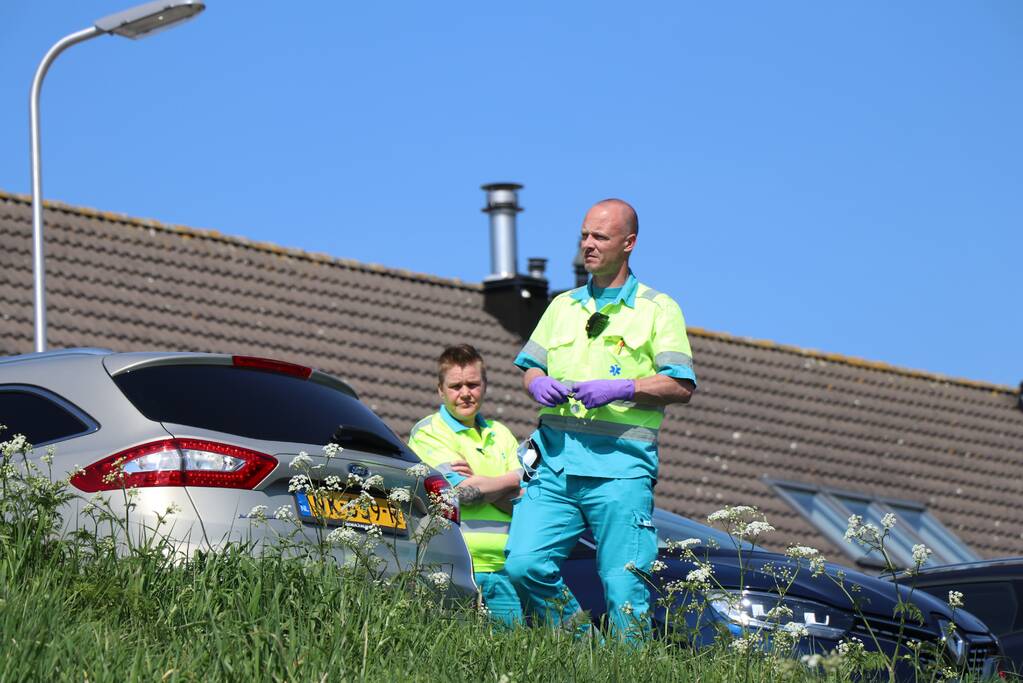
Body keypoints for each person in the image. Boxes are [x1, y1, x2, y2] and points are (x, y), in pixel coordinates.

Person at [504, 198, 697, 641]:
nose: (588, 245)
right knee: (524, 564)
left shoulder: (657, 308)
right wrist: (535, 383)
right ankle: (584, 649)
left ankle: (627, 668)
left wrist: (623, 387)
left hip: (621, 472)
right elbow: (531, 366)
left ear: (628, 244)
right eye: (584, 235)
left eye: (600, 237)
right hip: (554, 467)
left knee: (624, 588)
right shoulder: (562, 306)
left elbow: (681, 386)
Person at [408, 344, 524, 627]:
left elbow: (525, 500)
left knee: (510, 661)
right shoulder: (429, 432)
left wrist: (484, 483)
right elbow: (462, 495)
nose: (465, 393)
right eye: (455, 386)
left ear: (484, 386)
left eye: (473, 384)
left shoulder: (502, 434)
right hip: (454, 565)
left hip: (505, 570)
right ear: (440, 390)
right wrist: (515, 477)